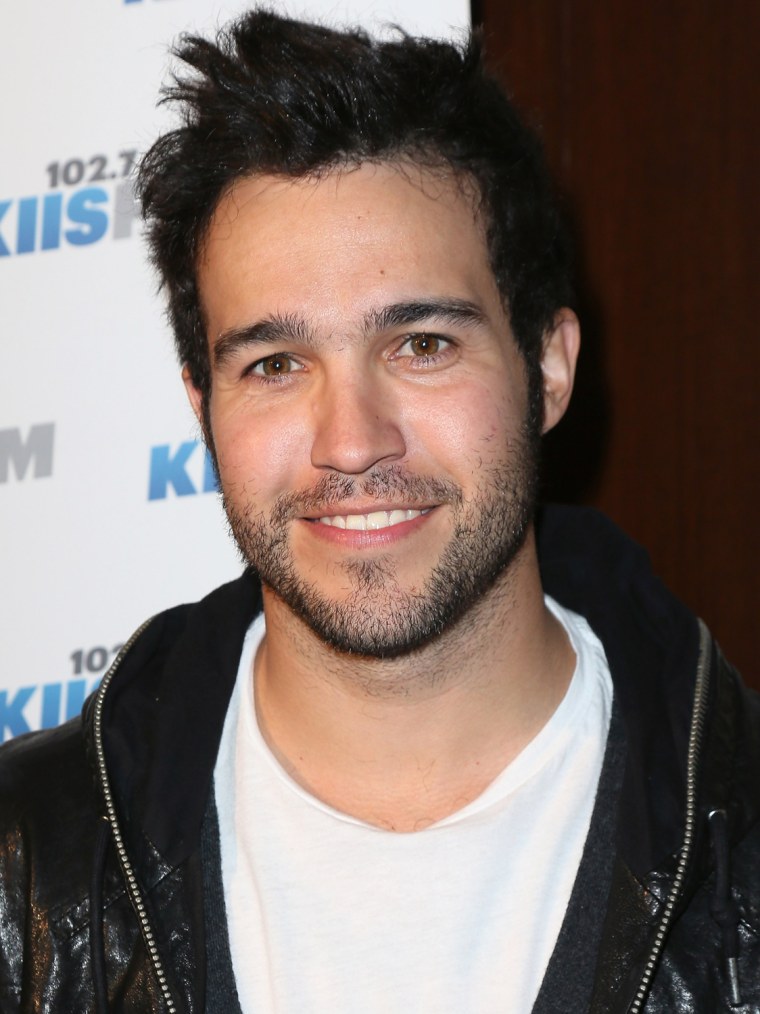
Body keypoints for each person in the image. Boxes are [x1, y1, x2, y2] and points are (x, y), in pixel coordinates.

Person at [1, 8, 758, 1013]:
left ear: (548, 366)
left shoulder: (741, 847)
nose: (352, 441)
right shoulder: (25, 861)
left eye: (422, 345)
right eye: (276, 365)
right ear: (203, 406)